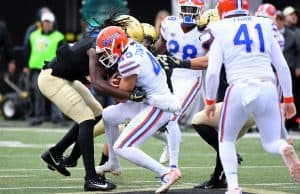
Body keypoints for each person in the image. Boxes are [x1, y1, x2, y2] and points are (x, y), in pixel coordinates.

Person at [39, 16, 146, 191]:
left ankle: (58, 153)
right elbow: (97, 84)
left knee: (98, 113)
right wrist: (129, 95)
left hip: (67, 78)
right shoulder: (95, 49)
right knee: (86, 119)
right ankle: (91, 178)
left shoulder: (105, 45)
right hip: (52, 79)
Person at [204, 1, 300, 194]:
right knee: (271, 142)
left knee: (226, 139)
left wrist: (209, 101)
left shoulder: (219, 28)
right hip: (267, 86)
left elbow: (213, 73)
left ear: (222, 11)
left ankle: (233, 186)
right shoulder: (264, 24)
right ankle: (282, 147)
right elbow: (281, 66)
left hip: (239, 87)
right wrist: (288, 99)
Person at [95, 26, 181, 193]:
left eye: (106, 51)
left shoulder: (128, 61)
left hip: (158, 105)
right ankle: (113, 163)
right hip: (150, 99)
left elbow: (121, 96)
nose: (104, 56)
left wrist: (112, 84)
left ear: (117, 45)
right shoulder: (133, 45)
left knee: (123, 146)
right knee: (108, 115)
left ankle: (166, 174)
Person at [155, 0, 207, 167]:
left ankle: (173, 166)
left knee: (171, 117)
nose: (189, 13)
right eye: (186, 9)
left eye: (193, 9)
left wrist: (180, 63)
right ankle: (170, 139)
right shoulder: (169, 24)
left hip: (192, 77)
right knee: (154, 116)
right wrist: (150, 49)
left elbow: (209, 61)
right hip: (171, 77)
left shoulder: (206, 29)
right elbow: (160, 47)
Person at [24, 12, 65, 126]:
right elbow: (27, 50)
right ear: (42, 23)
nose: (46, 24)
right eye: (45, 22)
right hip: (36, 69)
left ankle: (56, 118)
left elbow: (62, 54)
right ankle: (38, 117)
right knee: (37, 94)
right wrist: (26, 65)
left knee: (55, 93)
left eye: (48, 22)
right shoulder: (33, 35)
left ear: (52, 23)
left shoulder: (59, 36)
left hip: (52, 69)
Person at [282, 6, 300, 131]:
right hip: (284, 68)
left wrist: (298, 65)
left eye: (295, 15)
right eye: (291, 14)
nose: (294, 17)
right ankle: (285, 123)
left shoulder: (297, 31)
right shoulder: (281, 30)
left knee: (295, 96)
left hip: (293, 68)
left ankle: (293, 122)